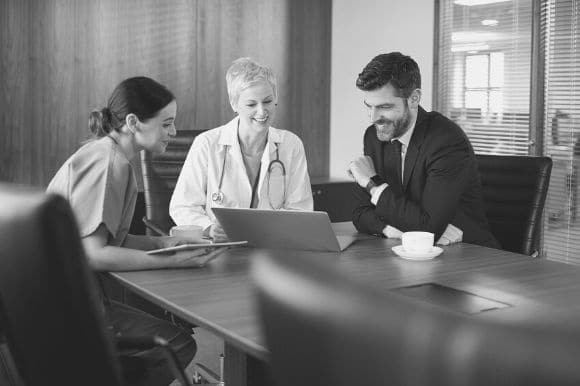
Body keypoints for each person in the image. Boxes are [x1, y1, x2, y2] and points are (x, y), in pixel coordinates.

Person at [46, 77, 226, 386]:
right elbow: (94, 254)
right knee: (178, 343)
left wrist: (165, 242)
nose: (173, 132)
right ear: (133, 122)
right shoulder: (109, 165)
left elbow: (106, 238)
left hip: (57, 296)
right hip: (65, 307)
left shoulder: (104, 155)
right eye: (166, 123)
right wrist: (170, 261)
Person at [348, 52, 500, 248]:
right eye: (369, 106)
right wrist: (396, 230)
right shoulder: (374, 136)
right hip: (415, 250)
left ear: (413, 99)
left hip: (470, 256)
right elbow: (360, 214)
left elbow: (427, 227)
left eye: (384, 107)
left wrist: (372, 183)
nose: (373, 117)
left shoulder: (446, 141)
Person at [170, 57, 313, 240]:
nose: (262, 112)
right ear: (234, 104)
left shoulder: (291, 145)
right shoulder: (207, 144)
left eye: (268, 101)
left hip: (272, 245)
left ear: (276, 98)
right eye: (251, 104)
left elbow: (301, 210)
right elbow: (182, 206)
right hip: (220, 248)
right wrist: (208, 228)